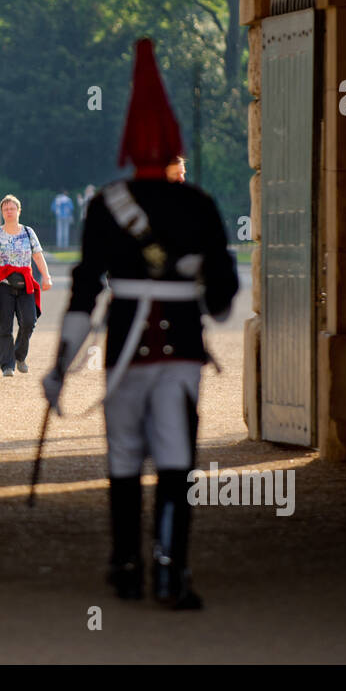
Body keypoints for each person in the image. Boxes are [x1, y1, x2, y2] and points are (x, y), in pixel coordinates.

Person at [42, 38, 238, 610]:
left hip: (123, 350)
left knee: (123, 459)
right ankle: (172, 571)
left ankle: (125, 566)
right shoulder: (199, 204)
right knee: (177, 461)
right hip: (180, 353)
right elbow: (224, 301)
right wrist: (195, 276)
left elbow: (84, 294)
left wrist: (60, 367)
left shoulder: (106, 204)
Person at [0, 194, 53, 376]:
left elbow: (37, 255)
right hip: (3, 286)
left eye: (12, 208)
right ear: (2, 212)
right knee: (4, 326)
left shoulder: (28, 232)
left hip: (25, 284)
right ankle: (7, 366)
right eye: (5, 209)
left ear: (19, 211)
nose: (9, 212)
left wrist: (47, 276)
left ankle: (19, 355)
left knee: (29, 321)